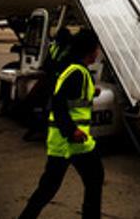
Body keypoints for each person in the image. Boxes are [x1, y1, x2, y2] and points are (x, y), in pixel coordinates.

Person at [18, 29, 104, 219]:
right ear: (90, 51)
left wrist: (92, 92)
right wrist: (71, 130)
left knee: (49, 187)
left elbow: (71, 98)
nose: (98, 52)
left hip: (63, 142)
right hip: (73, 141)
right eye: (96, 48)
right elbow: (58, 105)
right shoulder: (78, 73)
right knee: (94, 179)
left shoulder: (73, 68)